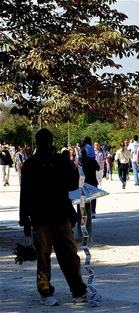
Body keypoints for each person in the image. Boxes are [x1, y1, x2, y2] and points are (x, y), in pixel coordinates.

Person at [19, 129, 101, 306]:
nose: (46, 143)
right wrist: (24, 218)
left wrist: (71, 167)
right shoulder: (31, 164)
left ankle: (78, 289)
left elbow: (72, 185)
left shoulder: (60, 161)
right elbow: (24, 193)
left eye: (48, 140)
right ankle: (45, 291)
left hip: (61, 214)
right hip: (41, 217)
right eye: (43, 140)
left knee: (70, 255)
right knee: (43, 256)